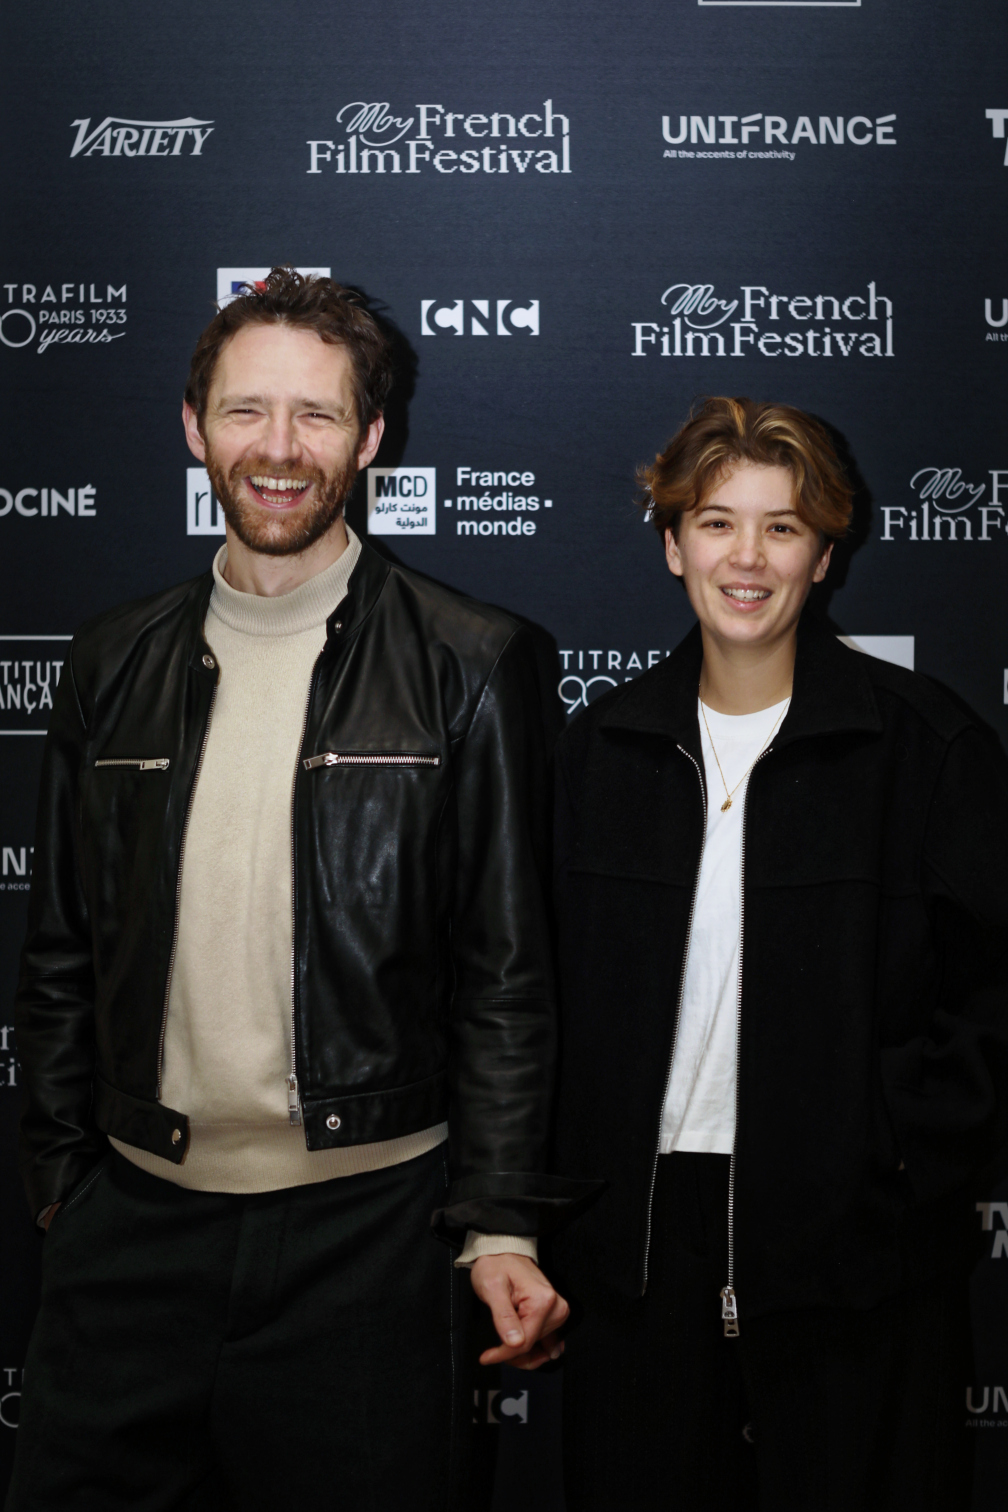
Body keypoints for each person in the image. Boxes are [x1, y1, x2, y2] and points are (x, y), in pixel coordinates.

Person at [8, 268, 574, 1511]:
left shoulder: (474, 663)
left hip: (368, 1240)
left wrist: (501, 1228)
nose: (278, 450)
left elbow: (508, 978)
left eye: (316, 416)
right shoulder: (112, 660)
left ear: (372, 438)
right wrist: (63, 1181)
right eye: (245, 411)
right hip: (132, 1231)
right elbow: (58, 950)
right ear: (192, 426)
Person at [550, 397, 1008, 1511]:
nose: (746, 558)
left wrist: (893, 1170)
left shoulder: (927, 747)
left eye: (782, 527)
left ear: (824, 553)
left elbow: (994, 1000)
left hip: (855, 1260)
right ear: (671, 546)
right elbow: (529, 997)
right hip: (640, 1260)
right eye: (715, 524)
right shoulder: (598, 750)